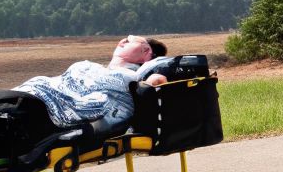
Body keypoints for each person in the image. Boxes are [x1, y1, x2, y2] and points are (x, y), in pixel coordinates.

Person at [14, 36, 171, 130]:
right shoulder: (92, 67)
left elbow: (158, 82)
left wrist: (152, 79)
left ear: (146, 52)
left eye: (132, 39)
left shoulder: (133, 77)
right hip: (28, 95)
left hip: (49, 110)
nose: (123, 40)